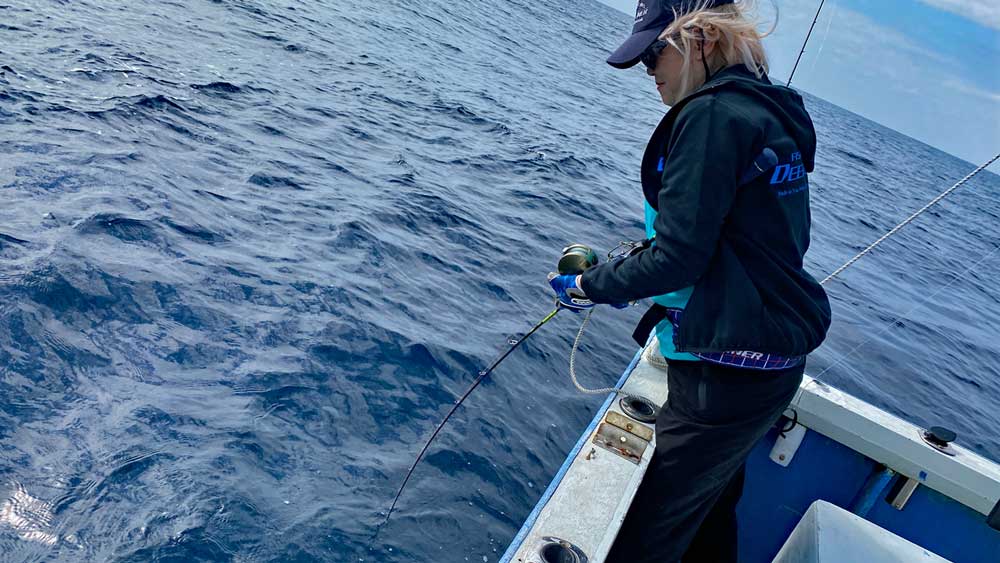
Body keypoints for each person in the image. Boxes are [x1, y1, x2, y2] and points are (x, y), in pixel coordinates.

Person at [547, 0, 832, 561]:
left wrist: (588, 286)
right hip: (770, 365)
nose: (648, 69)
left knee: (644, 536)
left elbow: (679, 260)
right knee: (710, 512)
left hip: (723, 375)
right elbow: (746, 238)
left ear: (699, 37)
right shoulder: (770, 111)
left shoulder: (711, 116)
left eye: (656, 51)